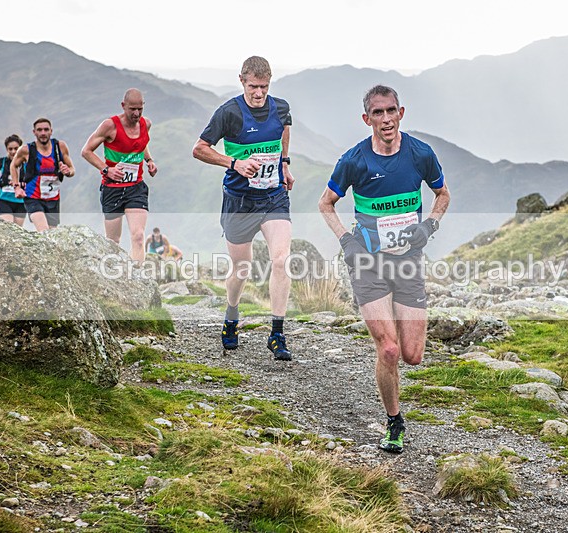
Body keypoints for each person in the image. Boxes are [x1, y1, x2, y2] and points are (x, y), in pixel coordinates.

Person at [318, 85, 450, 454]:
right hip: (368, 263)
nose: (386, 119)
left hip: (407, 262)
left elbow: (443, 194)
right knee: (389, 350)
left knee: (412, 354)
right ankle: (394, 423)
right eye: (378, 113)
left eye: (391, 111)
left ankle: (393, 318)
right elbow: (326, 204)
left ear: (401, 112)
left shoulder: (421, 154)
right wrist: (346, 240)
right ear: (367, 119)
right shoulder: (354, 161)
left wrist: (429, 226)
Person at [192, 56, 295, 361]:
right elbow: (199, 149)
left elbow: (284, 129)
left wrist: (285, 163)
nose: (259, 93)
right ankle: (231, 315)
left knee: (281, 260)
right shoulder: (229, 113)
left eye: (264, 87)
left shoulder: (281, 108)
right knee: (242, 268)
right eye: (253, 87)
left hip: (274, 196)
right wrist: (233, 163)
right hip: (239, 201)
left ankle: (277, 333)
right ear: (242, 81)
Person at [81, 88, 157, 263]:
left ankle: (138, 281)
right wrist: (107, 169)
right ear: (123, 106)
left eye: (140, 109)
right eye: (132, 109)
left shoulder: (147, 124)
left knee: (138, 236)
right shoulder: (110, 126)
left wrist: (149, 160)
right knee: (113, 242)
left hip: (135, 187)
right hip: (112, 189)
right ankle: (115, 279)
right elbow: (86, 151)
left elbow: (141, 144)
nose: (136, 113)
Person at [10, 118, 75, 231]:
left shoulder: (60, 146)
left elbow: (72, 169)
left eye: (46, 129)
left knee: (53, 233)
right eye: (39, 130)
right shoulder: (26, 150)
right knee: (44, 231)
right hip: (33, 197)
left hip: (53, 198)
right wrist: (17, 187)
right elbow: (13, 165)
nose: (43, 133)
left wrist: (68, 172)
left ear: (51, 131)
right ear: (34, 132)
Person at [0, 134, 26, 226]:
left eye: (16, 148)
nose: (13, 151)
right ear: (7, 149)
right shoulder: (2, 162)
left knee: (18, 230)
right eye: (10, 149)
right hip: (5, 200)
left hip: (21, 202)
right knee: (7, 227)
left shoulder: (25, 163)